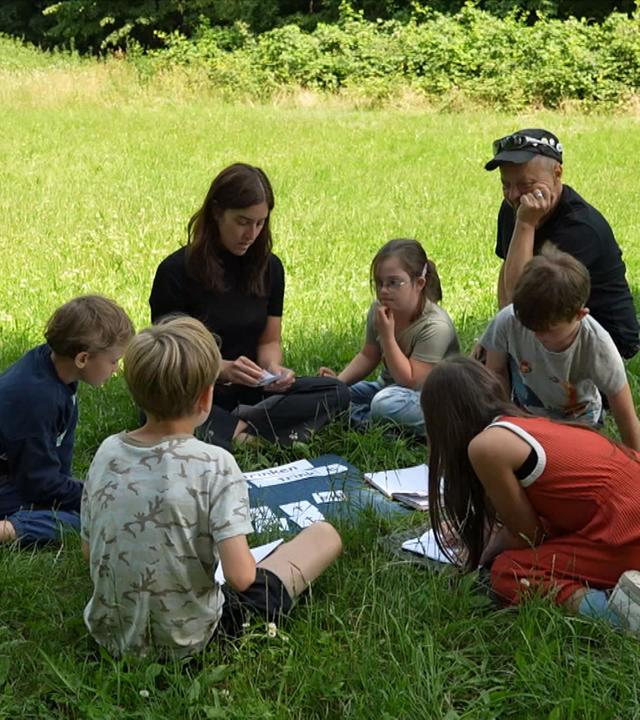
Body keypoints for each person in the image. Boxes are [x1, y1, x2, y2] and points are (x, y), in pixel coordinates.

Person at [81, 316, 343, 658]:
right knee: (324, 536)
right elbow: (241, 578)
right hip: (191, 642)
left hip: (109, 637)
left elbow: (89, 552)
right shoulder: (215, 464)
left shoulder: (107, 451)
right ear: (206, 398)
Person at [422, 356, 640, 629]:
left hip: (625, 535)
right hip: (624, 518)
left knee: (508, 571)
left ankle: (618, 614)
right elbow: (553, 511)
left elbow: (528, 536)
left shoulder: (486, 446)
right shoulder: (525, 425)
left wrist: (483, 551)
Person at [149, 162, 350, 451]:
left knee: (336, 391)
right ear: (217, 213)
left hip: (253, 391)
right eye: (242, 222)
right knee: (161, 405)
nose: (251, 233)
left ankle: (238, 432)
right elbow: (170, 357)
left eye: (260, 223)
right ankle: (254, 433)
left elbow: (269, 339)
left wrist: (273, 370)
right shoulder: (176, 271)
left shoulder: (270, 268)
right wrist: (222, 368)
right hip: (193, 389)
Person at [485, 128, 639, 359]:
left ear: (557, 173)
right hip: (548, 322)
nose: (514, 195)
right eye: (506, 184)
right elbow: (507, 271)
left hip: (602, 337)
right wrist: (499, 333)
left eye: (526, 184)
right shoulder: (517, 208)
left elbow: (523, 298)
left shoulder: (581, 229)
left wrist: (526, 224)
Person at [0, 295, 134, 546]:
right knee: (89, 521)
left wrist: (74, 489)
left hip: (19, 472)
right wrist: (93, 496)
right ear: (82, 358)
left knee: (90, 508)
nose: (116, 369)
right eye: (113, 361)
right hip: (12, 482)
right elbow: (38, 483)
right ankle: (9, 529)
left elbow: (57, 455)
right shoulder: (37, 398)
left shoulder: (54, 368)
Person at [482, 245, 640, 451]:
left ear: (579, 315)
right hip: (525, 418)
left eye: (548, 330)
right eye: (530, 327)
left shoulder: (597, 345)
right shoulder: (509, 320)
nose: (537, 336)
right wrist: (504, 419)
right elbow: (495, 373)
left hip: (580, 424)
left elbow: (626, 417)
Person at [319, 239, 459, 435]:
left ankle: (368, 423)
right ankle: (375, 423)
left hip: (431, 400)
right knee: (338, 398)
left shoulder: (436, 326)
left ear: (419, 283)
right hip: (386, 389)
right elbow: (369, 355)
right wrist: (337, 385)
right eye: (379, 283)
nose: (384, 290)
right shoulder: (379, 308)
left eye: (393, 283)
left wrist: (387, 337)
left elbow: (410, 380)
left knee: (383, 404)